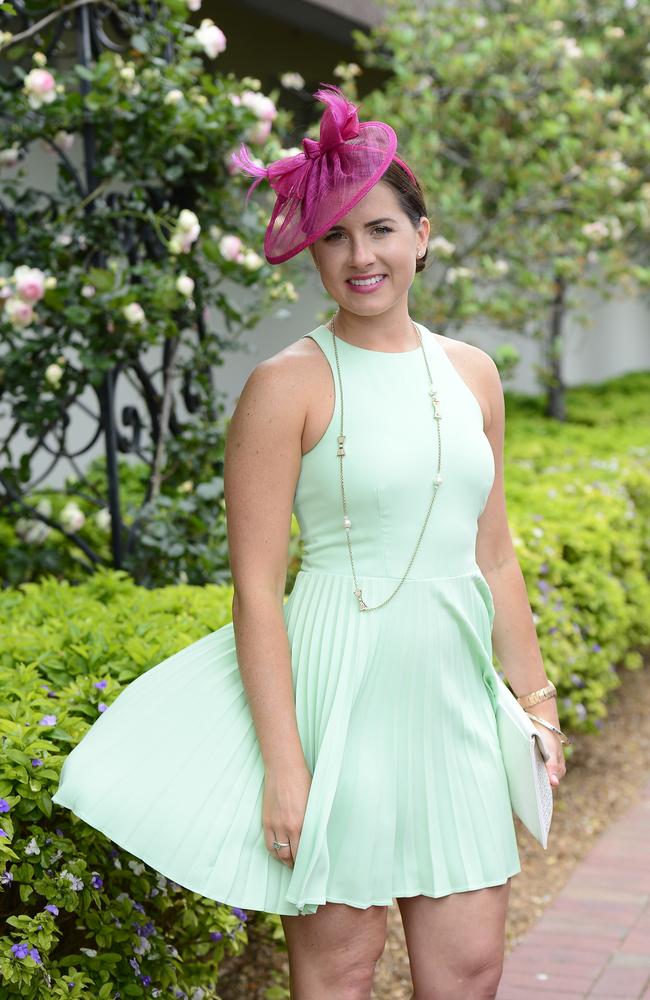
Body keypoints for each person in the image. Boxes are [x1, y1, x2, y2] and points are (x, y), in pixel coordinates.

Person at [52, 84, 569, 999]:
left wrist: (536, 702)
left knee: (472, 968)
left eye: (378, 229)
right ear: (313, 255)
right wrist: (288, 768)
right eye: (333, 236)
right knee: (338, 970)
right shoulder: (283, 385)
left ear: (421, 235)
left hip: (453, 694)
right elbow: (255, 588)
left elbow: (494, 553)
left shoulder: (473, 375)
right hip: (338, 695)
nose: (359, 255)